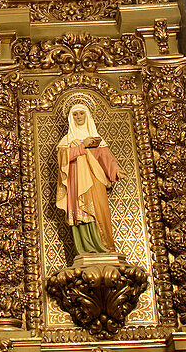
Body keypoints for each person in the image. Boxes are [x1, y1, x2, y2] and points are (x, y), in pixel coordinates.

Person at [56, 96, 121, 255]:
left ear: (87, 116)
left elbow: (106, 158)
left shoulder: (96, 138)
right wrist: (81, 146)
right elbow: (62, 159)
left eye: (81, 114)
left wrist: (116, 170)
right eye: (75, 114)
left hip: (95, 180)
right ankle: (85, 249)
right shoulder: (67, 140)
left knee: (99, 211)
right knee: (81, 214)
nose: (78, 117)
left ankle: (104, 246)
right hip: (76, 183)